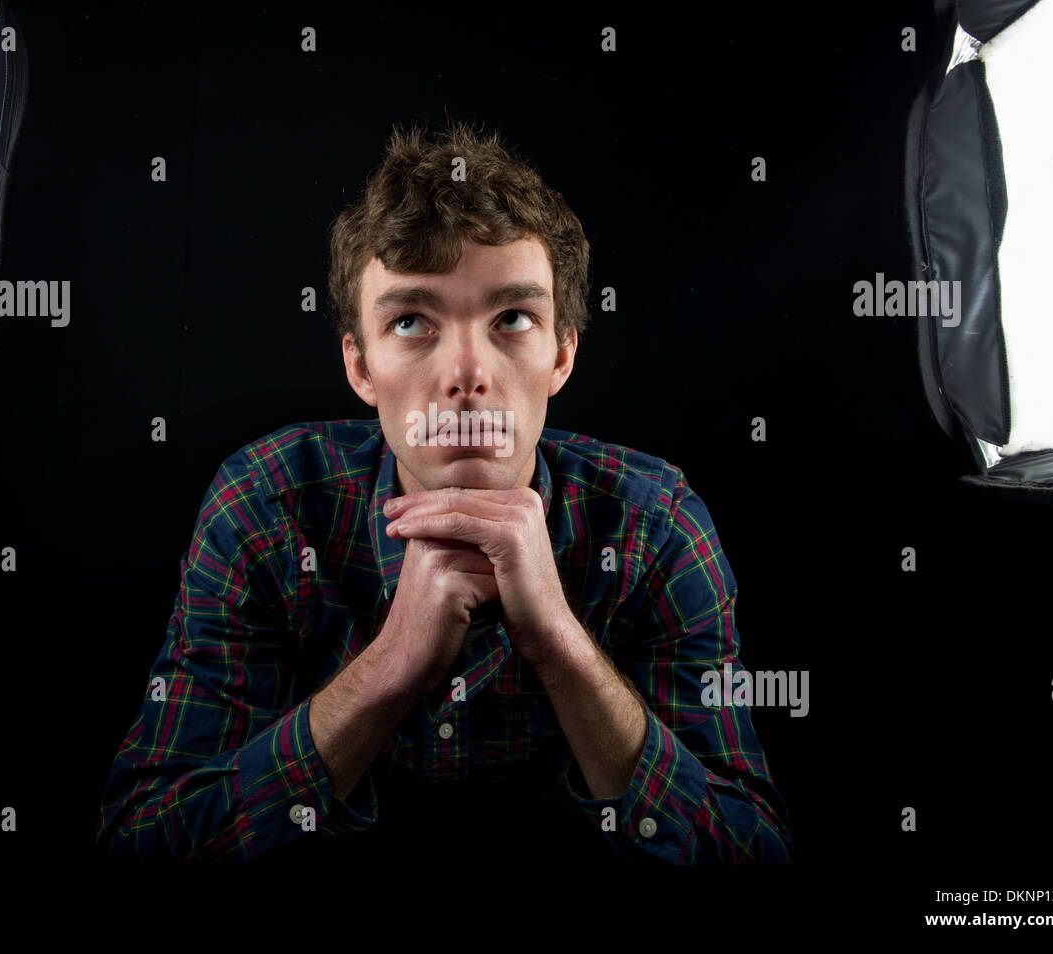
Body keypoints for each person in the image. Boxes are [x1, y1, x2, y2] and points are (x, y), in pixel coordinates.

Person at [95, 120, 792, 867]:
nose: (467, 373)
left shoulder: (657, 528)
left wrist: (562, 647)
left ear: (562, 354)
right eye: (411, 321)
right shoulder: (263, 508)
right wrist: (390, 667)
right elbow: (140, 844)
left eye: (513, 318)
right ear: (360, 368)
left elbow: (754, 854)